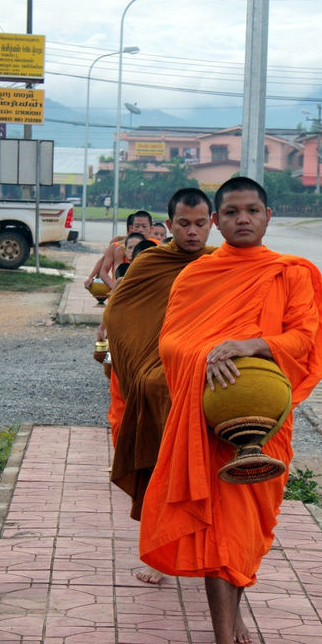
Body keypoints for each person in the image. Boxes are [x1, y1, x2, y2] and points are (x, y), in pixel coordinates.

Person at [139, 176, 322, 644]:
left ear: (269, 216)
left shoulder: (290, 273)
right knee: (218, 530)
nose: (242, 218)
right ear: (218, 221)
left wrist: (251, 345)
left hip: (267, 422)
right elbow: (173, 343)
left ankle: (236, 603)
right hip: (207, 423)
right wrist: (207, 355)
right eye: (231, 212)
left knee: (250, 527)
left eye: (252, 210)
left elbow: (304, 337)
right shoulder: (197, 276)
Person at [103, 188, 215, 585]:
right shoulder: (151, 262)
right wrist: (139, 371)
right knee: (158, 469)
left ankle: (214, 556)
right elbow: (119, 314)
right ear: (168, 226)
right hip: (157, 386)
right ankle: (158, 556)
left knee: (206, 477)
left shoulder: (221, 265)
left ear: (211, 223)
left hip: (205, 381)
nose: (191, 232)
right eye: (183, 223)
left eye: (200, 223)